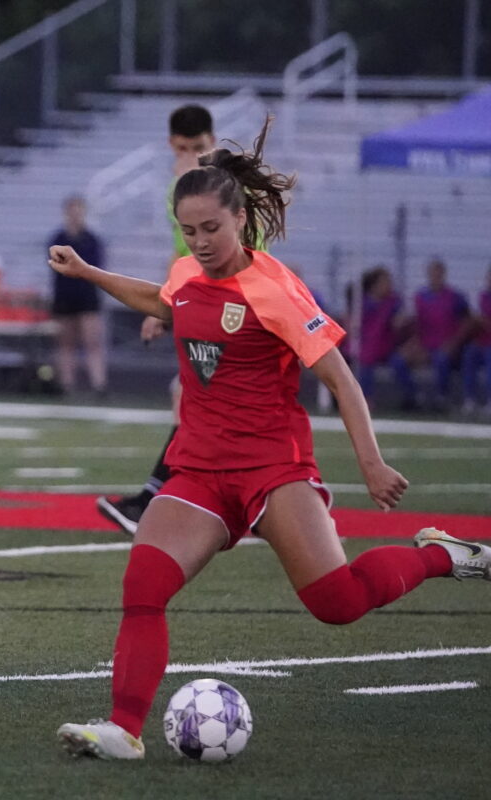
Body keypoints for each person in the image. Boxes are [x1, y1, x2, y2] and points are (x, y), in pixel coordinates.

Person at [46, 119, 488, 761]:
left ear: (241, 218)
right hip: (197, 469)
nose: (199, 242)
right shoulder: (186, 271)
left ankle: (442, 554)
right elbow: (165, 300)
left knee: (336, 604)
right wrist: (88, 273)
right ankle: (124, 729)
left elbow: (339, 376)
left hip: (273, 470)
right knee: (143, 580)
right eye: (189, 230)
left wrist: (371, 462)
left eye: (211, 229)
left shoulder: (275, 290)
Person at [97, 104, 216, 535]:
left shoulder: (223, 184)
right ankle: (240, 504)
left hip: (234, 308)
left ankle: (153, 501)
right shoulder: (177, 189)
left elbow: (235, 253)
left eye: (200, 148)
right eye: (184, 149)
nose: (193, 157)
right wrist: (165, 305)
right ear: (171, 146)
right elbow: (184, 254)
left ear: (213, 141)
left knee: (192, 400)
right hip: (200, 305)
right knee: (194, 402)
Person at [48, 194, 108, 396]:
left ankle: (98, 384)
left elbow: (96, 268)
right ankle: (66, 384)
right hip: (65, 295)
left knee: (92, 342)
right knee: (66, 343)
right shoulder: (58, 239)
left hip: (87, 295)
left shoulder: (91, 240)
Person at [355, 266, 417, 410]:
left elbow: (399, 322)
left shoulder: (393, 301)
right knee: (365, 364)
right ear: (374, 285)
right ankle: (366, 400)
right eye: (384, 282)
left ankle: (411, 398)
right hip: (370, 348)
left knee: (399, 363)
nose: (388, 285)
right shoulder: (363, 303)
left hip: (388, 347)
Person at [413, 258, 470, 411]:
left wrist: (454, 343)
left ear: (443, 274)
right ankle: (414, 398)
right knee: (398, 361)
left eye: (438, 273)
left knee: (441, 359)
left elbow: (466, 322)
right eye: (432, 273)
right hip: (426, 345)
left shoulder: (455, 297)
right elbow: (418, 323)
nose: (435, 277)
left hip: (447, 346)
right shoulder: (421, 297)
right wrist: (417, 345)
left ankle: (441, 397)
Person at [459, 263, 491, 416]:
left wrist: (483, 321)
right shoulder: (484, 297)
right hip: (482, 342)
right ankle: (469, 399)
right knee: (469, 355)